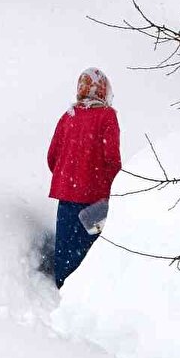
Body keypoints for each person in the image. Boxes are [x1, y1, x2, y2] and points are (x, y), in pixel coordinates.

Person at [46, 67, 121, 288]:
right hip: (96, 200)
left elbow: (52, 156)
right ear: (104, 90)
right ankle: (82, 294)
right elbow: (112, 159)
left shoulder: (67, 117)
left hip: (67, 196)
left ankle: (61, 285)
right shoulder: (107, 116)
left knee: (66, 248)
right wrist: (114, 187)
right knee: (89, 250)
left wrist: (68, 178)